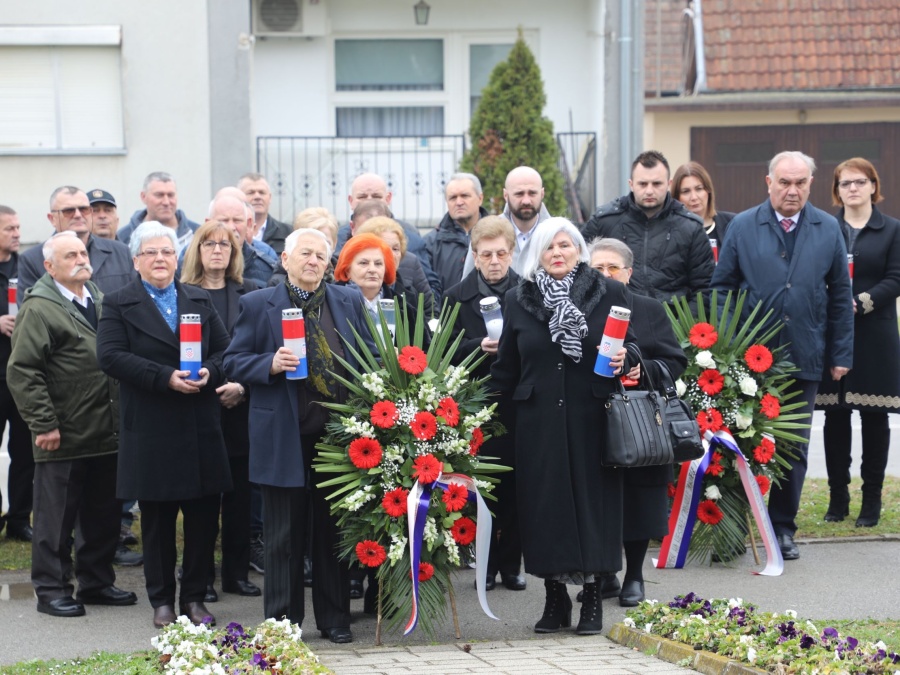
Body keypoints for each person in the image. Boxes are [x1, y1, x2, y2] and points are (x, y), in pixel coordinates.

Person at [224, 228, 376, 644]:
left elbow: (369, 353)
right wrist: (269, 364)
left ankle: (335, 619)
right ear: (285, 259)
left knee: (332, 531)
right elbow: (233, 361)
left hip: (337, 437)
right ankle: (282, 625)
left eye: (320, 256)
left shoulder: (346, 299)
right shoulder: (259, 303)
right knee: (282, 537)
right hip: (282, 435)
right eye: (304, 254)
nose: (313, 262)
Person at [490, 217, 637, 636]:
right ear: (536, 253)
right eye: (548, 246)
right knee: (545, 509)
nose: (557, 253)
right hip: (537, 423)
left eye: (565, 245)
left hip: (593, 417)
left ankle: (592, 597)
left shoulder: (608, 291)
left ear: (578, 250)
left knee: (594, 507)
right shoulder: (519, 299)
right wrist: (485, 419)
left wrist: (626, 359)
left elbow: (635, 347)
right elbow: (507, 367)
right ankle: (554, 597)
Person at [712, 150, 854, 561]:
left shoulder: (829, 228)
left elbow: (841, 297)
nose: (792, 191)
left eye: (801, 183)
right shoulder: (741, 226)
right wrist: (725, 345)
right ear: (768, 182)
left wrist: (840, 352)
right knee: (741, 441)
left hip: (804, 353)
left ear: (811, 184)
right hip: (747, 358)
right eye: (784, 182)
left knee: (791, 446)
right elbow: (721, 288)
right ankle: (735, 527)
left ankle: (781, 528)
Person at [97, 221, 232, 628]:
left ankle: (194, 597)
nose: (160, 259)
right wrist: (164, 377)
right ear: (136, 260)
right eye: (151, 253)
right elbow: (110, 356)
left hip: (200, 425)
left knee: (204, 518)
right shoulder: (119, 302)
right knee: (156, 522)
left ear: (177, 259)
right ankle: (162, 602)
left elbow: (226, 350)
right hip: (153, 427)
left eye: (167, 252)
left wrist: (210, 372)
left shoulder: (198, 298)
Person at [7, 232, 136, 618]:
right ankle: (51, 590)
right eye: (70, 255)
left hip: (105, 429)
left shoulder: (95, 296)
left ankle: (96, 583)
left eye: (82, 252)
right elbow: (23, 371)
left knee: (102, 515)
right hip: (61, 433)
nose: (81, 258)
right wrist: (44, 423)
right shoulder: (40, 308)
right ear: (49, 266)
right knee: (55, 519)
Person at [587, 237, 686, 606]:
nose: (606, 275)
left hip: (639, 419)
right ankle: (604, 573)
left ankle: (634, 575)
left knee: (639, 497)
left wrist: (638, 368)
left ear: (628, 273)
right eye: (597, 268)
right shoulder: (577, 308)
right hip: (592, 417)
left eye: (613, 268)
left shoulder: (648, 309)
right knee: (597, 497)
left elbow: (675, 361)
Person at [815, 158, 900, 528]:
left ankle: (871, 504)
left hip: (875, 335)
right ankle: (837, 500)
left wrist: (859, 302)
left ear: (872, 186)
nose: (852, 188)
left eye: (859, 182)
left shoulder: (892, 230)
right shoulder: (823, 228)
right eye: (845, 183)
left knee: (874, 420)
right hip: (833, 334)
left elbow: (896, 278)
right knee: (836, 418)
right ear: (837, 190)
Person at [444, 216, 524, 592]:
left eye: (501, 253)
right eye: (486, 254)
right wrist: (477, 347)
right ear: (474, 257)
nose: (494, 261)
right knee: (483, 488)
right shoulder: (455, 297)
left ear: (512, 254)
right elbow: (442, 351)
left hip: (518, 402)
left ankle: (512, 564)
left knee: (516, 486)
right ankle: (486, 566)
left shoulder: (527, 293)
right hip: (475, 406)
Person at [181, 220, 261, 597]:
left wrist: (242, 386)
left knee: (241, 496)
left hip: (241, 407)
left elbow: (258, 349)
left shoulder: (251, 293)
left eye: (225, 245)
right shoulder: (182, 295)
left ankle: (236, 573)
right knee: (203, 498)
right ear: (197, 250)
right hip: (198, 405)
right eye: (209, 244)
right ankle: (202, 578)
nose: (217, 250)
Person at [581, 150, 714, 304]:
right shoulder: (604, 220)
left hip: (673, 320)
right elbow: (579, 270)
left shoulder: (690, 227)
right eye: (643, 184)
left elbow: (704, 287)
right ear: (631, 184)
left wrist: (683, 325)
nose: (649, 190)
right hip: (614, 315)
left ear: (669, 184)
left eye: (657, 183)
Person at [18, 187, 134, 304]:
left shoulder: (121, 252)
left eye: (84, 209)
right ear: (52, 218)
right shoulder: (33, 259)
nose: (78, 215)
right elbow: (31, 312)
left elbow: (136, 300)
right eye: (69, 211)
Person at [333, 173, 440, 296]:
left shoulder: (411, 237)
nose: (369, 200)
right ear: (351, 201)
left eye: (376, 196)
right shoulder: (338, 239)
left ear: (388, 199)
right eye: (362, 196)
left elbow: (430, 296)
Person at [0, 206, 33, 543]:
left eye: (18, 227)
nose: (17, 233)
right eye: (9, 228)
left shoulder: (27, 267)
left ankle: (21, 518)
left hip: (24, 376)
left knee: (26, 451)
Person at [461, 166, 552, 278]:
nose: (526, 200)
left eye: (532, 193)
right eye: (519, 194)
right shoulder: (485, 232)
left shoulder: (557, 233)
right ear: (505, 195)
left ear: (542, 194)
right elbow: (466, 288)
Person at [355, 215, 436, 317]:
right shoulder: (347, 292)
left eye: (396, 249)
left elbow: (431, 311)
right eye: (384, 247)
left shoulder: (410, 290)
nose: (391, 255)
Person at [425, 173, 490, 298]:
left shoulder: (498, 236)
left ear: (480, 198)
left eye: (465, 196)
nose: (459, 202)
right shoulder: (431, 242)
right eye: (453, 198)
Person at [208, 191, 277, 287]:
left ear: (248, 224)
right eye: (223, 220)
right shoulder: (189, 262)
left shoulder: (268, 268)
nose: (231, 227)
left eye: (237, 220)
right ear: (208, 223)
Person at [117, 172, 200, 248]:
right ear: (143, 197)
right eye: (159, 195)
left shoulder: (198, 234)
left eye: (171, 195)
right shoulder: (123, 238)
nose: (166, 202)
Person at [671, 162, 734, 247]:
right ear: (676, 197)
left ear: (708, 190)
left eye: (699, 189)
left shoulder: (731, 223)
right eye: (686, 191)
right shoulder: (669, 231)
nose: (694, 197)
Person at [239, 172, 293, 255]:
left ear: (270, 198)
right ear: (239, 197)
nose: (257, 197)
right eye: (251, 192)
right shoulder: (231, 232)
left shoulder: (288, 233)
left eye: (262, 192)